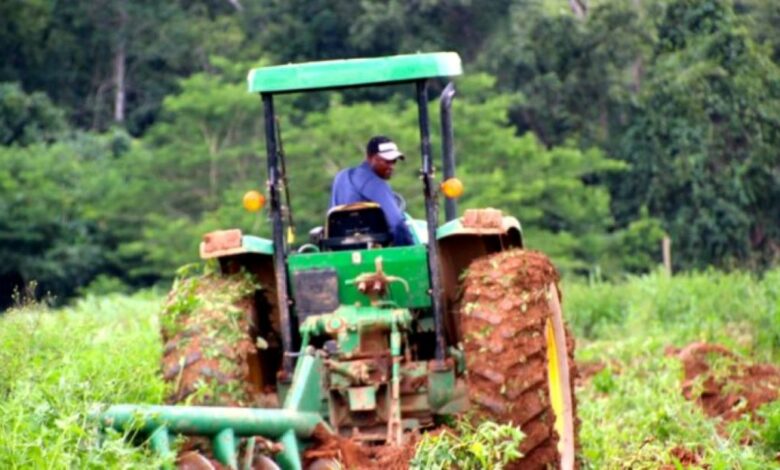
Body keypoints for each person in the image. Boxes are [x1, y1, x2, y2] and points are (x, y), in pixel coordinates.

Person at [330, 136, 415, 246]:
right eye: (387, 161)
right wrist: (410, 251)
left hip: (338, 247)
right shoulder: (376, 184)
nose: (392, 166)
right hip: (371, 250)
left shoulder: (341, 177)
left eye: (394, 162)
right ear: (369, 157)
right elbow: (397, 223)